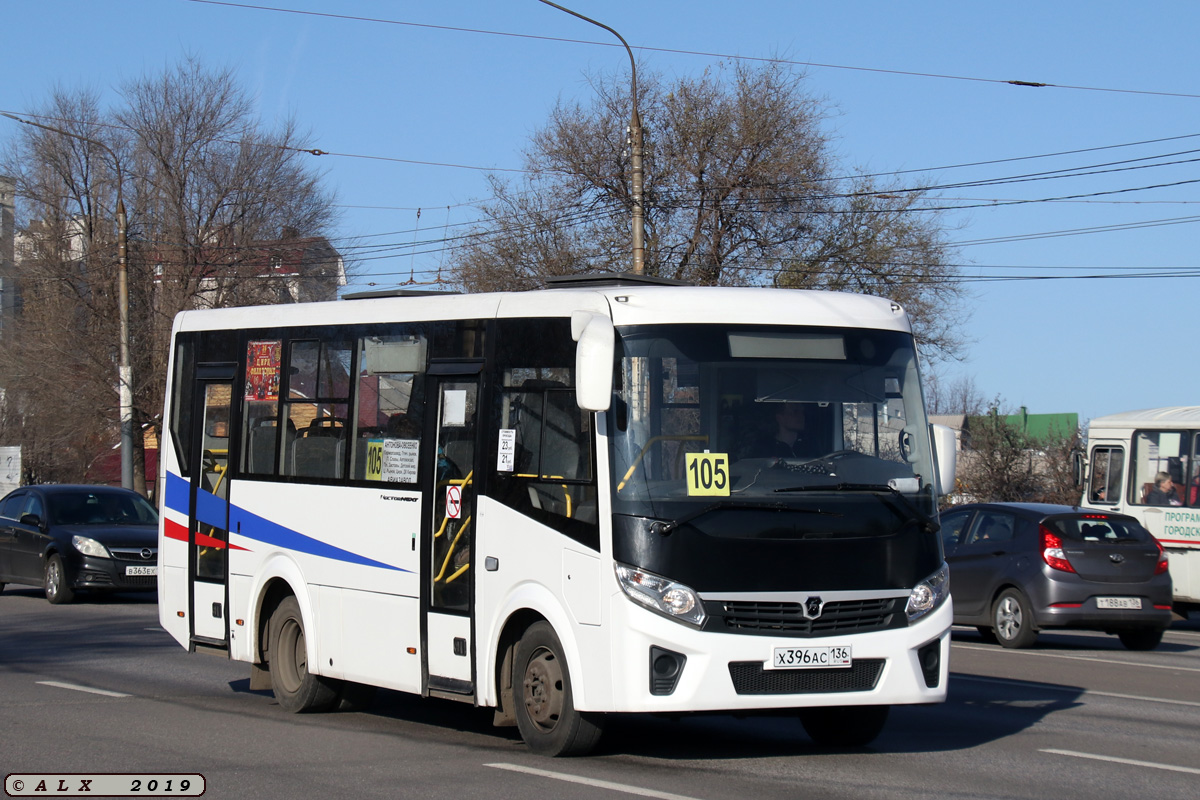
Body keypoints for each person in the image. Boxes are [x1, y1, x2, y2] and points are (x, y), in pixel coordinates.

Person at [754, 402, 818, 459]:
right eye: (795, 412)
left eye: (802, 412)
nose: (801, 416)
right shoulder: (766, 449)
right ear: (779, 418)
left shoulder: (810, 446)